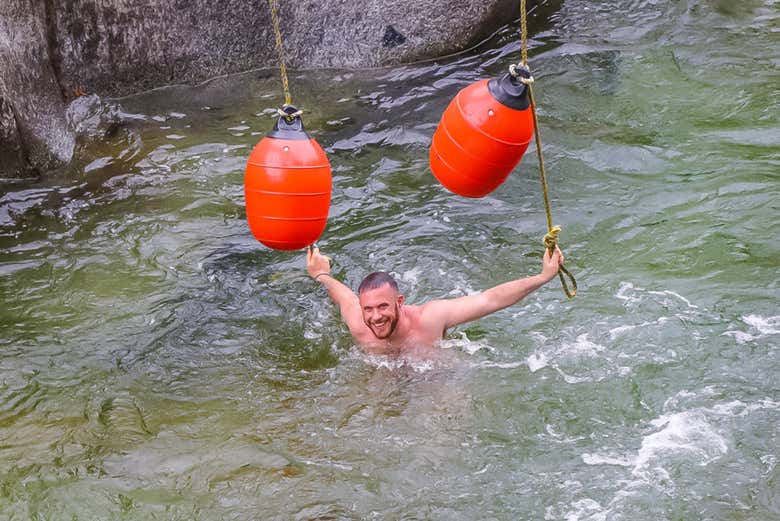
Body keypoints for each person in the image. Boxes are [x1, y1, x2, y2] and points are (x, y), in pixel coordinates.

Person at [306, 245, 565, 355]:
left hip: (433, 374)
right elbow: (342, 295)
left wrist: (542, 277)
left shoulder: (430, 318)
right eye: (369, 309)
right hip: (382, 374)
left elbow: (489, 300)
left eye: (383, 306)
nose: (376, 317)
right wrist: (321, 274)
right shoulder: (358, 321)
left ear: (400, 302)